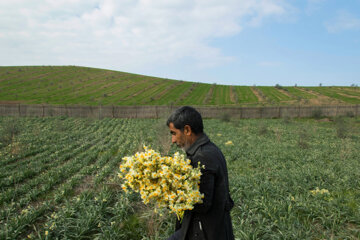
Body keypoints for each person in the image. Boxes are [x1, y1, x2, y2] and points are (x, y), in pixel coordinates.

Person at [166, 106, 234, 240]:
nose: (173, 140)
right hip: (204, 229)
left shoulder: (202, 157)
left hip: (205, 233)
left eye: (174, 133)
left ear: (187, 130)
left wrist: (168, 194)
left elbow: (201, 204)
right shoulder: (207, 149)